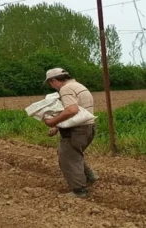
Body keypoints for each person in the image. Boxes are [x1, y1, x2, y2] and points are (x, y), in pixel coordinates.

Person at [42, 67, 99, 198]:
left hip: (77, 131)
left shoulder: (65, 89)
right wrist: (57, 127)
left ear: (54, 81)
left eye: (50, 83)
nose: (52, 87)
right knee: (73, 154)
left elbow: (72, 110)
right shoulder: (78, 85)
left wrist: (52, 121)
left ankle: (79, 191)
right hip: (88, 128)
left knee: (68, 159)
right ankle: (90, 176)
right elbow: (79, 112)